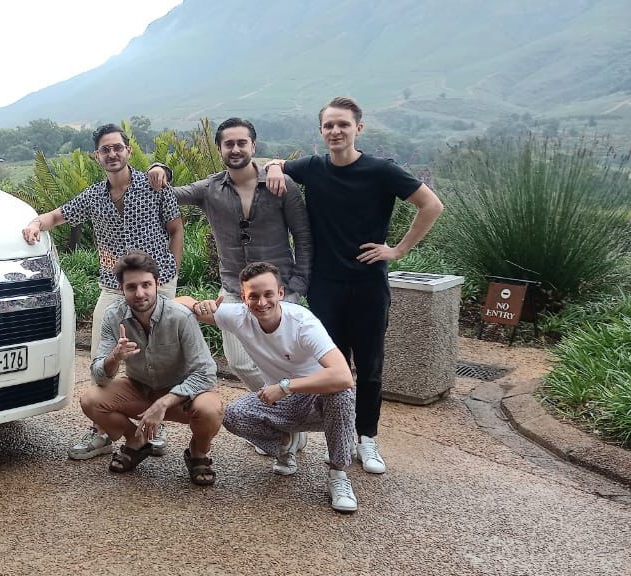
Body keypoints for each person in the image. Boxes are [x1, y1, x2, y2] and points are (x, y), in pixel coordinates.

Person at [264, 97, 444, 475]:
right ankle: (340, 437)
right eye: (329, 125)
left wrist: (396, 250)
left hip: (368, 283)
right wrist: (276, 166)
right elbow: (273, 165)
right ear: (320, 131)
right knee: (332, 365)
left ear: (358, 128)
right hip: (325, 284)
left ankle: (367, 438)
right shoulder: (312, 168)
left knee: (370, 365)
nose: (335, 131)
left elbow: (431, 205)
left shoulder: (382, 171)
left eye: (343, 124)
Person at [22, 124, 184, 460]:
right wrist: (36, 224)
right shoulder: (94, 196)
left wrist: (172, 274)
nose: (112, 154)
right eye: (105, 149)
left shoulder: (155, 185)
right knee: (101, 353)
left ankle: (155, 423)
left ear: (128, 150)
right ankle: (103, 428)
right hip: (113, 285)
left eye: (117, 147)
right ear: (97, 156)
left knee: (157, 357)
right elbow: (57, 215)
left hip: (158, 284)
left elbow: (175, 228)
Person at [146, 117, 312, 395]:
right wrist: (160, 168)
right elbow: (167, 195)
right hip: (234, 289)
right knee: (240, 363)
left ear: (253, 146)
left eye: (241, 143)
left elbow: (304, 237)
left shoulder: (281, 185)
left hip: (279, 290)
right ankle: (285, 415)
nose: (235, 149)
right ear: (220, 148)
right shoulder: (209, 189)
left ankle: (280, 425)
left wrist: (298, 285)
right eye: (229, 144)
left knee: (280, 360)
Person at [177, 262, 358, 512]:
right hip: (283, 401)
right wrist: (198, 305)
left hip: (317, 398)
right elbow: (178, 301)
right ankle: (285, 444)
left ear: (280, 293)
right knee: (233, 415)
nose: (261, 302)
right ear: (244, 297)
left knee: (341, 394)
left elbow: (343, 376)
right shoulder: (239, 316)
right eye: (254, 296)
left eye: (268, 294)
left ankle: (338, 475)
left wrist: (285, 386)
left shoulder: (302, 323)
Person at [80, 251, 224, 485]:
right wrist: (114, 357)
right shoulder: (113, 316)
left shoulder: (180, 317)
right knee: (91, 400)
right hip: (139, 388)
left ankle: (199, 452)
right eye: (132, 287)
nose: (139, 293)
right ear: (121, 288)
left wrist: (164, 402)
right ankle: (135, 441)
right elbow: (99, 375)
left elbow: (206, 373)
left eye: (146, 285)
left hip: (180, 395)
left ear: (157, 284)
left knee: (210, 409)